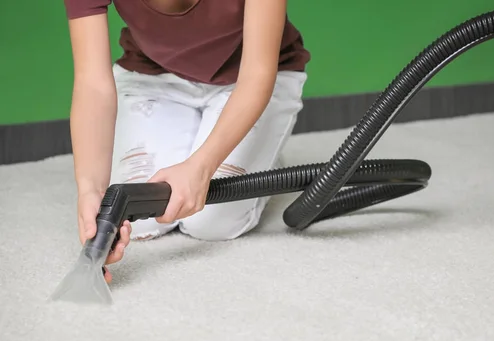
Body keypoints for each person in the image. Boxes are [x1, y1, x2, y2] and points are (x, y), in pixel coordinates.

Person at [63, 0, 311, 282]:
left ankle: (264, 152)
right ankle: (202, 143)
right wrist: (90, 190)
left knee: (211, 222)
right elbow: (92, 83)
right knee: (142, 221)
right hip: (153, 77)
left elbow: (256, 76)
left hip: (248, 80)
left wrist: (201, 166)